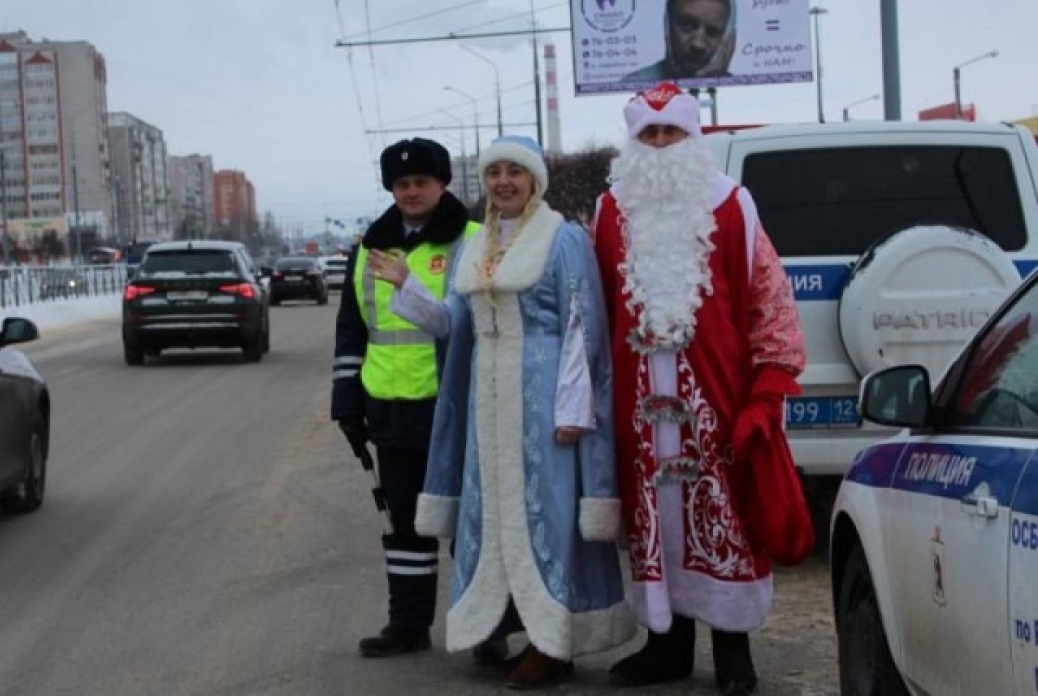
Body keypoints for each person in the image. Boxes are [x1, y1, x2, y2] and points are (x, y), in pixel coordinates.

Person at [591, 83, 806, 696]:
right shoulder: (609, 210)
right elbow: (596, 309)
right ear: (632, 142)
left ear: (693, 137)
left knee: (723, 518)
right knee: (654, 519)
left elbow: (769, 299)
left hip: (715, 399)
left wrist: (766, 394)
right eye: (648, 135)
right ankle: (667, 646)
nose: (660, 145)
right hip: (638, 407)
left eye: (671, 133)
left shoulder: (733, 207)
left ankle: (733, 650)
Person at [411, 135, 635, 690]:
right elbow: (455, 327)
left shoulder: (562, 240)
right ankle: (503, 623)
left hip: (544, 406)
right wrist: (408, 290)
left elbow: (586, 331)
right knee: (495, 517)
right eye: (494, 173)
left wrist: (576, 410)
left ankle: (552, 643)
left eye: (515, 171)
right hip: (488, 412)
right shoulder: (474, 244)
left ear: (535, 180)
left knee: (548, 516)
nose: (503, 181)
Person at [331, 137, 483, 659]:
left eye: (421, 181)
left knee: (468, 522)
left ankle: (483, 629)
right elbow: (353, 330)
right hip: (390, 408)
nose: (412, 191)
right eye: (402, 184)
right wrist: (346, 400)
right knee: (403, 524)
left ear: (442, 184)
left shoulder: (473, 240)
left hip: (455, 406)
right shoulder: (369, 250)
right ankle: (408, 624)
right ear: (390, 189)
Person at [622, 0, 736, 82]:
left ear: (727, 42)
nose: (698, 44)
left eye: (712, 32)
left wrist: (716, 85)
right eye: (687, 25)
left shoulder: (742, 93)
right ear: (667, 26)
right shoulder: (631, 87)